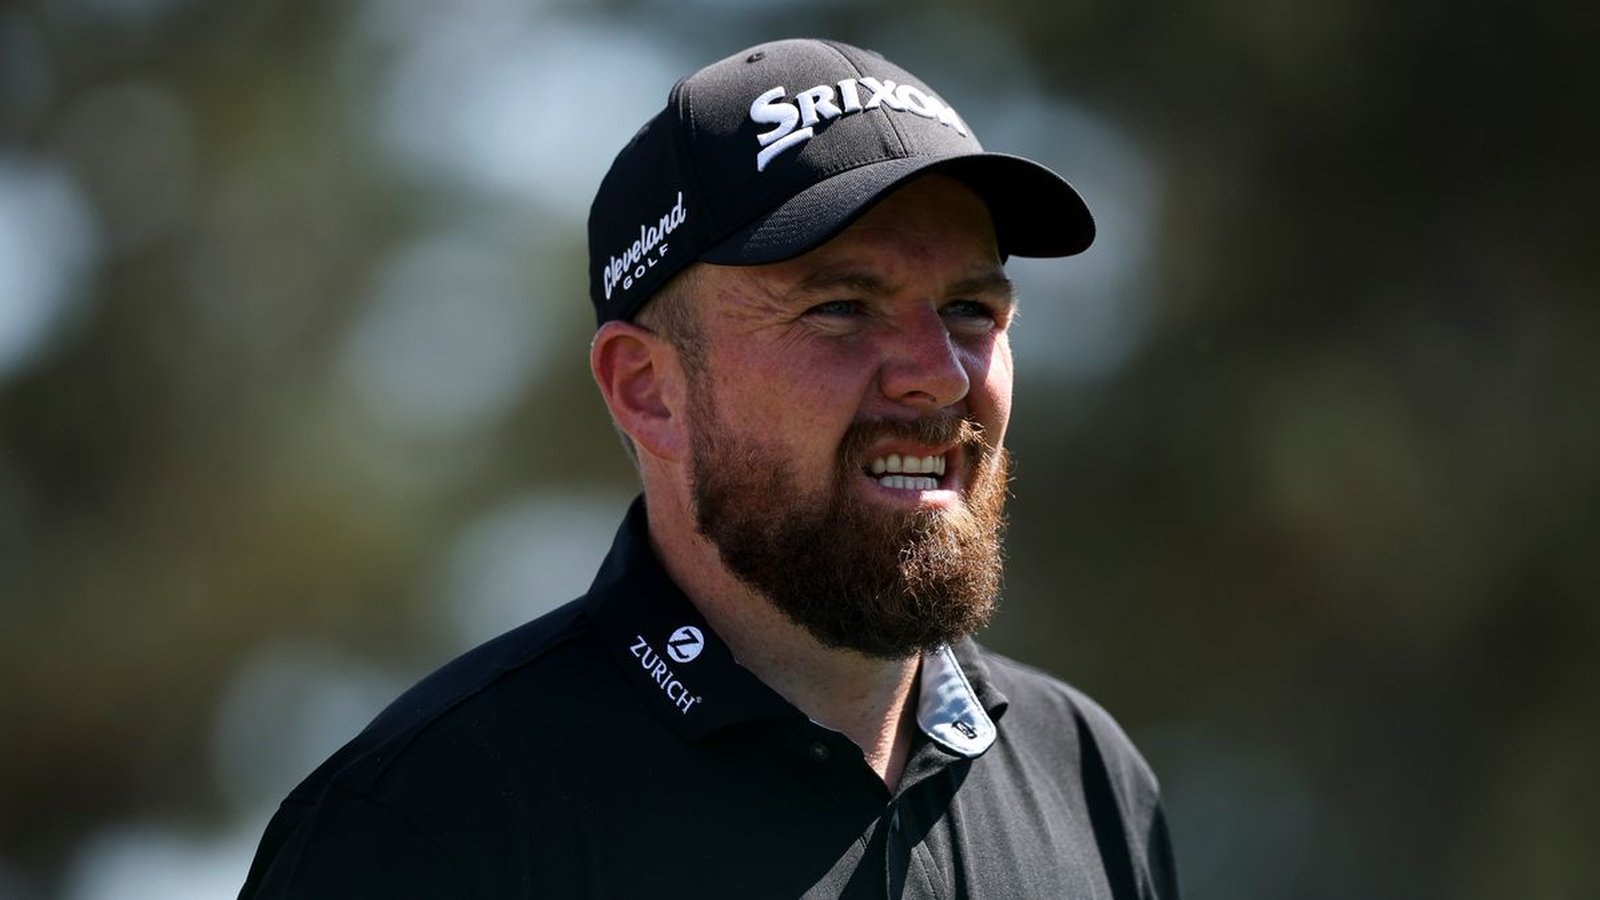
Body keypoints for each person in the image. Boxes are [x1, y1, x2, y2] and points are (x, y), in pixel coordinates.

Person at [240, 37, 1179, 899]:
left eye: (972, 309)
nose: (938, 374)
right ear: (648, 389)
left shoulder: (1089, 778)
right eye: (843, 307)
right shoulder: (432, 821)